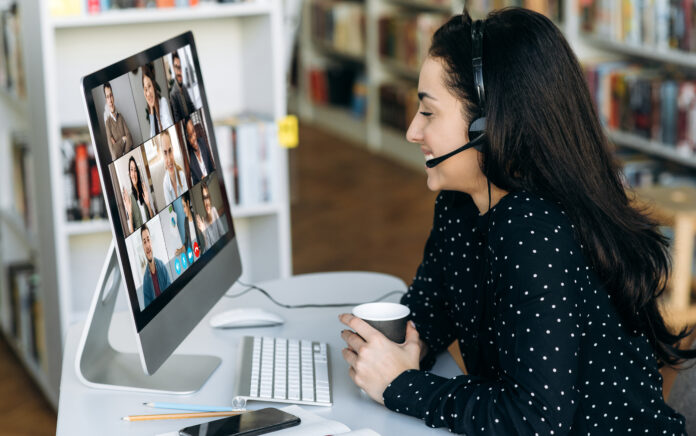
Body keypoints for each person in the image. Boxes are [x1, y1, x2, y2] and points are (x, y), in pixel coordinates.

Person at [338, 9, 696, 434]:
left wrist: (401, 384)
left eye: (429, 113)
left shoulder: (533, 228)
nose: (413, 131)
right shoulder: (461, 202)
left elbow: (536, 420)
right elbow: (431, 312)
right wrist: (396, 344)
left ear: (488, 127)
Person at [140, 223, 171, 308]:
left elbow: (170, 291)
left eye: (148, 240)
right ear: (142, 247)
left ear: (151, 241)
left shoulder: (161, 265)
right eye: (144, 242)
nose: (147, 245)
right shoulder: (145, 280)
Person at [122, 156, 155, 234]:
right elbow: (132, 233)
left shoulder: (144, 191)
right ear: (129, 174)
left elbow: (153, 218)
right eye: (131, 170)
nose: (133, 173)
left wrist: (148, 204)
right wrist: (130, 214)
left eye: (135, 170)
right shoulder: (130, 199)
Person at [103, 82, 134, 161]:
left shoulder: (121, 117)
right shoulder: (108, 123)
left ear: (113, 96)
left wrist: (119, 145)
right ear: (106, 100)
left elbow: (130, 139)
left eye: (111, 95)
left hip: (130, 155)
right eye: (107, 97)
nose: (110, 100)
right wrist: (123, 140)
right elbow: (114, 152)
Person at [142, 64, 173, 138]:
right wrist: (152, 111)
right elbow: (152, 137)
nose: (148, 93)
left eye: (149, 86)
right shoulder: (151, 114)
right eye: (145, 89)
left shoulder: (163, 102)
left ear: (153, 85)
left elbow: (168, 132)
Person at [160, 130, 188, 205]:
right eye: (165, 153)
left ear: (173, 150)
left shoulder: (181, 175)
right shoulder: (165, 184)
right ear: (162, 155)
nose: (169, 159)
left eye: (170, 151)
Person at [186, 118, 214, 185]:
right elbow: (195, 182)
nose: (194, 138)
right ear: (187, 139)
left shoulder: (203, 143)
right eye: (190, 136)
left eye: (193, 131)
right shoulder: (191, 161)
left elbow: (211, 167)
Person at [195, 180, 224, 248]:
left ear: (210, 198)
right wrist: (204, 232)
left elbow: (222, 233)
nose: (207, 202)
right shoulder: (204, 223)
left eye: (207, 197)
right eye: (204, 198)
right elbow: (208, 248)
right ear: (202, 201)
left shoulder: (214, 210)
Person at [169, 51, 195, 122]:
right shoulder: (173, 94)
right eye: (176, 67)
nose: (179, 71)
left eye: (180, 67)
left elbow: (191, 105)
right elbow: (177, 117)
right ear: (173, 68)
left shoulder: (184, 87)